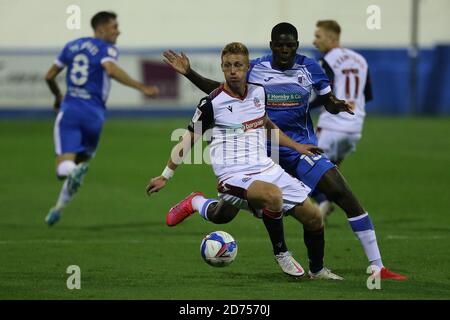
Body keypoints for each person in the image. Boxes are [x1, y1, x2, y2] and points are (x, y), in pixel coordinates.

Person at [162, 23, 406, 280]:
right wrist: (189, 73)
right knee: (225, 214)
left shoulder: (311, 67)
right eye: (279, 45)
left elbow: (327, 101)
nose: (284, 50)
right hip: (261, 151)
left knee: (341, 193)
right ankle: (197, 202)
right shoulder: (255, 67)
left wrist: (335, 105)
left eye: (290, 45)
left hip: (298, 147)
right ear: (271, 46)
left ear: (297, 46)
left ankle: (374, 266)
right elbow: (224, 90)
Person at [147, 42, 342, 280]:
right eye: (227, 65)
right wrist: (165, 175)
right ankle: (282, 253)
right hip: (232, 175)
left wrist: (297, 146)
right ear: (222, 67)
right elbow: (187, 141)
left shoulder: (258, 93)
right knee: (272, 197)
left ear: (247, 67)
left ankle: (318, 270)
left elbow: (268, 125)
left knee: (313, 217)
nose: (232, 70)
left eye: (238, 65)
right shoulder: (211, 104)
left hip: (266, 168)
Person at [44, 11, 159, 226]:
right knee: (79, 166)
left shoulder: (72, 46)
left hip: (70, 111)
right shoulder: (107, 49)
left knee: (63, 170)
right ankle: (58, 208)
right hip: (95, 117)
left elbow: (49, 76)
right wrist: (141, 87)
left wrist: (58, 96)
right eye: (114, 27)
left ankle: (69, 176)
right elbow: (110, 68)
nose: (118, 31)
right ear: (101, 29)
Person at [311, 20, 373, 218]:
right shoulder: (360, 60)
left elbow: (324, 95)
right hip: (354, 129)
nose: (315, 42)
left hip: (331, 127)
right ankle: (329, 203)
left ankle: (323, 202)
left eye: (318, 36)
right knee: (333, 173)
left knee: (300, 167)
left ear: (331, 38)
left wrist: (302, 107)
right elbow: (368, 95)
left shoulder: (327, 61)